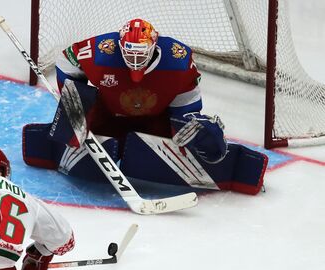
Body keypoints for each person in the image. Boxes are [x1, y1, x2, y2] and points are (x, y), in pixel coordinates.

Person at [22, 18, 268, 195]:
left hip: (156, 118)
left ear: (154, 45)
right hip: (109, 114)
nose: (135, 60)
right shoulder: (100, 50)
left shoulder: (178, 58)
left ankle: (215, 151)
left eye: (142, 53)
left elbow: (187, 100)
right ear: (120, 45)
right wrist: (74, 100)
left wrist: (188, 123)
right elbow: (66, 60)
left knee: (190, 131)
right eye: (129, 53)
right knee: (76, 115)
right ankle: (63, 147)